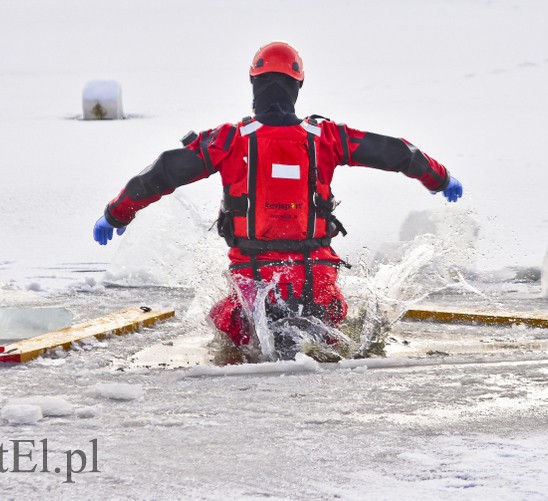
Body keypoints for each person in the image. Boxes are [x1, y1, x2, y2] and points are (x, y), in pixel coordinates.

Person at [93, 41, 463, 358]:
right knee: (326, 338)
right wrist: (438, 178)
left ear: (254, 83)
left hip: (254, 284)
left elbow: (160, 174)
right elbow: (397, 152)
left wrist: (117, 213)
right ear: (297, 86)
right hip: (316, 281)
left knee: (236, 336)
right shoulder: (327, 137)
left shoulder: (228, 140)